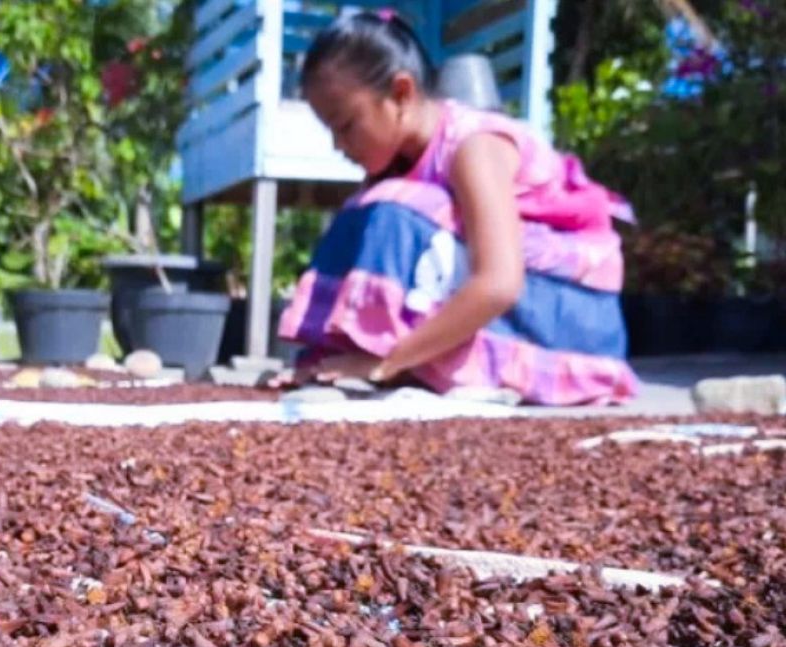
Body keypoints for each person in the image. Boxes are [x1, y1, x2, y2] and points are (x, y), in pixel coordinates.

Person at [271, 10, 638, 405]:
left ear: (401, 93)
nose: (339, 146)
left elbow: (500, 283)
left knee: (391, 213)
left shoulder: (474, 146)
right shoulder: (397, 166)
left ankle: (407, 358)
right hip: (525, 303)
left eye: (345, 126)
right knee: (366, 214)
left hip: (571, 321)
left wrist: (386, 362)